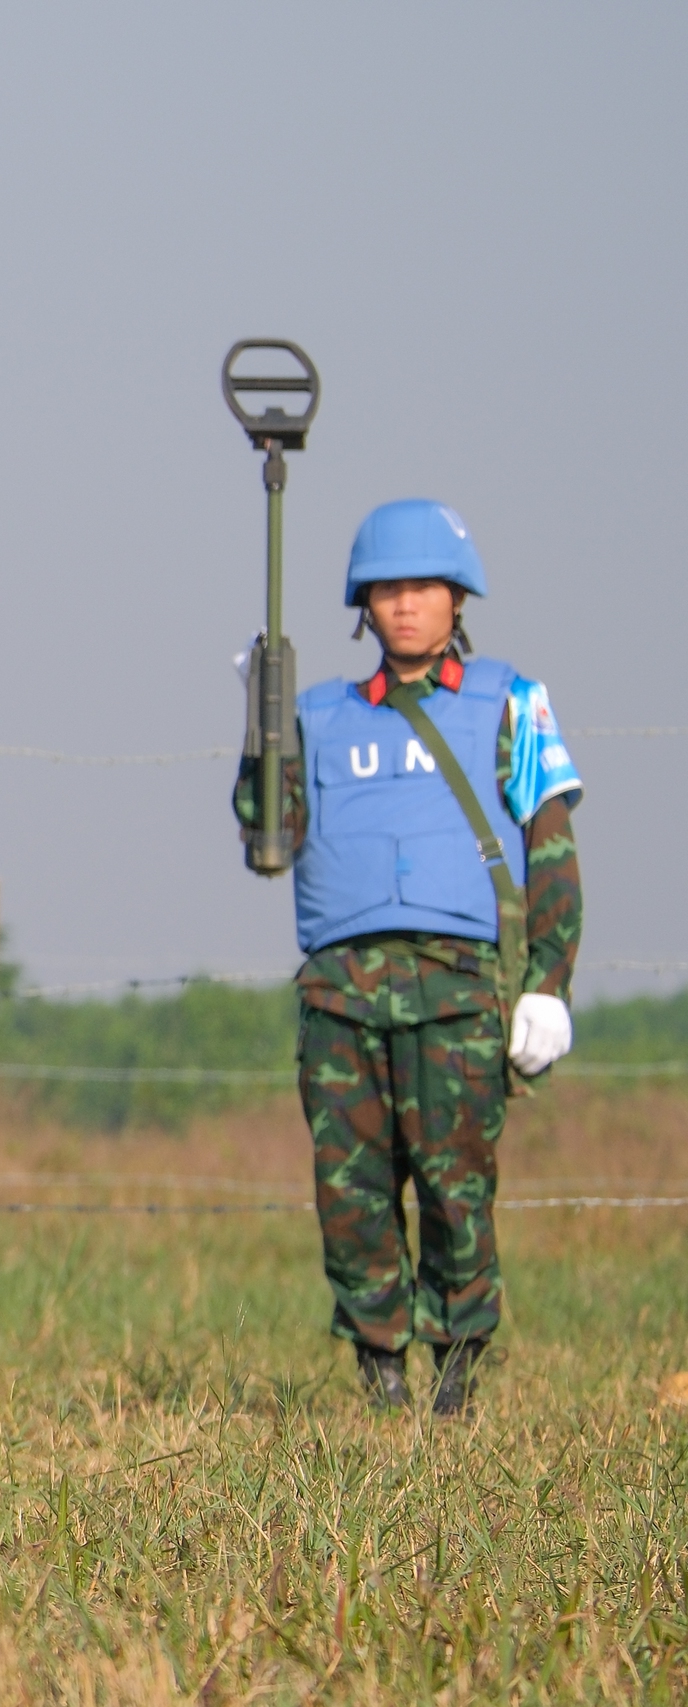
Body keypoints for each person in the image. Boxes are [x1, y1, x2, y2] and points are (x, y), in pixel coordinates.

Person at [235, 498, 581, 1418]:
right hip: (341, 997)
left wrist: (548, 985)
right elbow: (268, 841)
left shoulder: (508, 701)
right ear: (364, 604)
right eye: (389, 589)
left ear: (456, 598)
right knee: (350, 1195)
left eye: (426, 587)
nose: (407, 605)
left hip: (454, 991)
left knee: (455, 1186)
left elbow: (551, 845)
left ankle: (458, 1375)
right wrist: (261, 738)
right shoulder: (317, 716)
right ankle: (381, 1376)